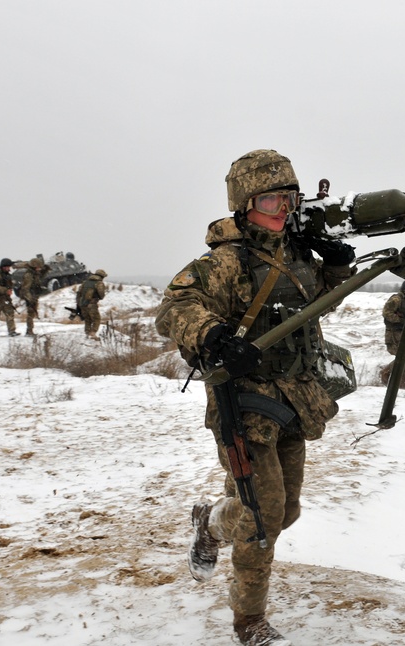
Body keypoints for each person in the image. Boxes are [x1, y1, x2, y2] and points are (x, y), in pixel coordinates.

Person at [155, 149, 355, 646]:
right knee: (263, 515)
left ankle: (210, 520)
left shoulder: (298, 254)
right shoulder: (226, 261)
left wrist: (334, 266)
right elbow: (174, 307)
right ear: (245, 205)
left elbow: (320, 303)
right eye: (270, 199)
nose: (282, 209)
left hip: (294, 398)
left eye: (289, 198)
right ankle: (250, 620)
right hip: (244, 402)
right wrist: (215, 336)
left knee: (286, 512)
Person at [379, 281, 405, 387]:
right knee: (402, 358)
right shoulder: (396, 299)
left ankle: (401, 379)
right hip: (394, 333)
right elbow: (386, 313)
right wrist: (401, 320)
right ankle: (386, 374)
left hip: (404, 333)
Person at [20, 257, 50, 337]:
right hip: (30, 296)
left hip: (34, 295)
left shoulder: (34, 273)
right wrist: (30, 299)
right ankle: (29, 331)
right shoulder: (29, 275)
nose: (39, 268)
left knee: (32, 314)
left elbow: (40, 277)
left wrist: (45, 270)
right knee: (31, 313)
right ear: (34, 266)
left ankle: (30, 331)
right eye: (38, 267)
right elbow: (25, 289)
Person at [77, 269, 107, 339]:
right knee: (96, 319)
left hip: (82, 304)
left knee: (88, 320)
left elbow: (79, 293)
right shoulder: (99, 283)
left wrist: (79, 303)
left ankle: (87, 334)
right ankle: (93, 334)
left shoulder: (85, 282)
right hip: (91, 304)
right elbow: (101, 295)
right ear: (101, 276)